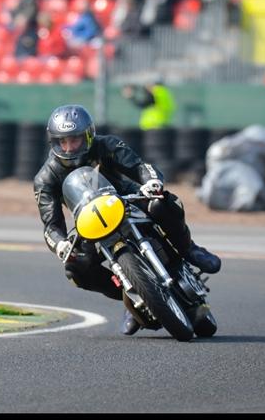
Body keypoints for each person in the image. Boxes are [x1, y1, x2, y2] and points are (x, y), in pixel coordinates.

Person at [33, 104, 221, 336]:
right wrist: (61, 244)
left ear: (89, 136)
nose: (70, 147)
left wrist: (151, 183)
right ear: (54, 142)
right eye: (63, 141)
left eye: (76, 140)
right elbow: (50, 225)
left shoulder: (107, 145)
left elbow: (140, 167)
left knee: (163, 203)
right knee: (75, 268)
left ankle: (190, 249)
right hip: (89, 221)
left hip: (126, 199)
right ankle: (130, 296)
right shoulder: (45, 178)